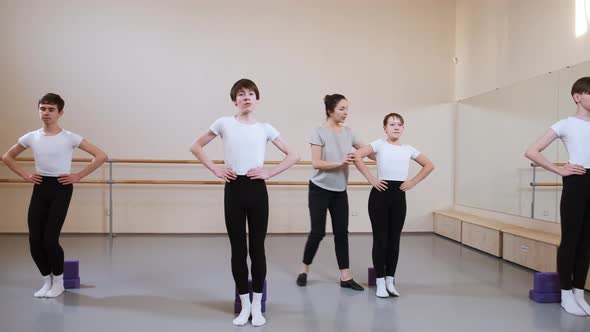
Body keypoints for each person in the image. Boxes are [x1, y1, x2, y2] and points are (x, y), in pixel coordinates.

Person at [190, 79, 299, 326]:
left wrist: (269, 172)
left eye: (251, 94)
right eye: (241, 94)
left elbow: (294, 154)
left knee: (257, 248)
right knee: (238, 250)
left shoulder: (266, 128)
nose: (247, 97)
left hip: (257, 189)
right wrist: (216, 169)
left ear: (257, 99)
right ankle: (244, 306)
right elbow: (195, 146)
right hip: (234, 188)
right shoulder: (223, 123)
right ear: (234, 100)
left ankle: (258, 306)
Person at [1, 93, 108, 298]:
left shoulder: (70, 137)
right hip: (41, 186)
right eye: (42, 108)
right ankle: (46, 280)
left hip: (61, 187)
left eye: (51, 109)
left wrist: (78, 175)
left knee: (50, 239)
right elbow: (7, 156)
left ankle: (58, 282)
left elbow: (101, 155)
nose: (46, 113)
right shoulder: (31, 136)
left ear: (60, 113)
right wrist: (25, 175)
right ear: (38, 110)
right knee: (34, 240)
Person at [525, 77, 590, 316]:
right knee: (571, 240)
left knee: (587, 243)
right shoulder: (565, 124)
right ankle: (565, 293)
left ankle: (579, 293)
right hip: (576, 181)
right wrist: (560, 169)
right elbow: (531, 151)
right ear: (578, 96)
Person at [353, 112, 434, 298]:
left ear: (403, 128)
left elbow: (429, 165)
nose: (396, 127)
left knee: (394, 240)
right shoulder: (379, 144)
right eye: (392, 124)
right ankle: (380, 281)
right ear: (385, 128)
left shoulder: (408, 149)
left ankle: (390, 280)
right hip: (380, 195)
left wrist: (413, 182)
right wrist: (371, 178)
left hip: (398, 196)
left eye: (399, 124)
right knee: (380, 239)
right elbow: (357, 155)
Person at [297, 94, 368, 291]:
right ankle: (304, 270)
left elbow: (366, 150)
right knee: (318, 232)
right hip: (319, 189)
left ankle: (345, 276)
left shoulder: (349, 132)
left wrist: (386, 151)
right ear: (330, 111)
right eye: (342, 109)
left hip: (339, 191)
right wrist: (340, 162)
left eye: (347, 109)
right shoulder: (318, 131)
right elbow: (316, 163)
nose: (346, 113)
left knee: (341, 233)